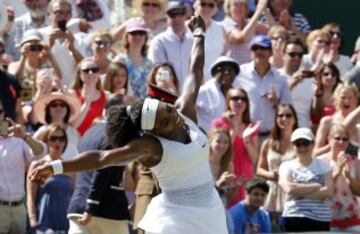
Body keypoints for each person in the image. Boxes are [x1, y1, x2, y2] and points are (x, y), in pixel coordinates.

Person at [29, 15, 228, 234]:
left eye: (169, 109)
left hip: (211, 211)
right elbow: (102, 158)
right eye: (164, 120)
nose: (174, 117)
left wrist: (199, 34)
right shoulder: (151, 147)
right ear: (154, 132)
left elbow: (195, 71)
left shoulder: (184, 112)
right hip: (176, 219)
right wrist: (56, 166)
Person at [67, 95, 131, 234]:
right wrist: (92, 205)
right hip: (105, 211)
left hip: (78, 207)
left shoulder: (89, 133)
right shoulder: (114, 134)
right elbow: (102, 170)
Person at [0, 100, 46, 234]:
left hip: (18, 207)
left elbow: (41, 153)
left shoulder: (18, 139)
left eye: (0, 111)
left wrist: (25, 136)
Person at [279, 127, 334, 232]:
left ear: (313, 144)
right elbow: (289, 188)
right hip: (293, 216)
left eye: (305, 143)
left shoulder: (324, 166)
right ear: (293, 146)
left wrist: (297, 191)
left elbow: (329, 192)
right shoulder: (286, 166)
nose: (302, 148)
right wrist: (316, 186)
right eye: (298, 144)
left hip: (320, 217)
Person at [256, 104, 298, 231]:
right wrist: (270, 175)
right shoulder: (268, 143)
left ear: (295, 119)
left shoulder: (299, 143)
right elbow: (259, 169)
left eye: (288, 115)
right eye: (280, 115)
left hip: (290, 193)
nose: (284, 118)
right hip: (270, 193)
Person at [27, 123, 72, 233]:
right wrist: (33, 219)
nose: (57, 142)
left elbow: (73, 196)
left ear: (65, 142)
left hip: (65, 221)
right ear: (47, 141)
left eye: (61, 138)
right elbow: (31, 197)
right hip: (44, 221)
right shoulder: (38, 166)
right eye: (53, 138)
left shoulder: (70, 167)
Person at [318, 124, 360, 232]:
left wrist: (350, 179)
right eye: (337, 138)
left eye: (345, 139)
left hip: (352, 219)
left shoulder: (355, 161)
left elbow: (358, 192)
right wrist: (338, 170)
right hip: (328, 219)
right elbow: (320, 191)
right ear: (329, 139)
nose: (341, 142)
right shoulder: (319, 162)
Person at [147, 1, 193, 92]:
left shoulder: (192, 40)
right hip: (168, 95)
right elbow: (160, 72)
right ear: (166, 17)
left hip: (191, 96)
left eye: (181, 14)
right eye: (172, 15)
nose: (177, 18)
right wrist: (173, 92)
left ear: (185, 16)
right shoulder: (159, 41)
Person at [196, 55, 240, 133]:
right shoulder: (204, 91)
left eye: (230, 70)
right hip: (205, 139)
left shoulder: (237, 94)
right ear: (214, 73)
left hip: (227, 140)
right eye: (222, 69)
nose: (226, 73)